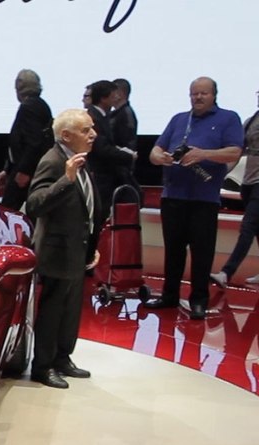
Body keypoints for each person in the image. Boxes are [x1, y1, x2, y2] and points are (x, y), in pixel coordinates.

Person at [146, 77, 243, 320]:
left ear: (214, 95)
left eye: (203, 93)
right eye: (193, 94)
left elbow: (234, 151)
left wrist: (203, 155)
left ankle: (199, 299)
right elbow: (154, 151)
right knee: (173, 250)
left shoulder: (228, 118)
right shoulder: (179, 119)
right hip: (174, 195)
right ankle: (169, 295)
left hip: (204, 199)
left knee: (202, 252)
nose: (197, 98)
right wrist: (161, 157)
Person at [25, 109, 99, 389]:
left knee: (70, 311)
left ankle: (62, 358)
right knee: (53, 311)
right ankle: (42, 366)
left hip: (77, 249)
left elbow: (88, 207)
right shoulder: (54, 161)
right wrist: (65, 180)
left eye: (92, 128)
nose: (93, 134)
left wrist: (92, 244)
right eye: (85, 130)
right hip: (57, 250)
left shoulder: (81, 159)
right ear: (66, 135)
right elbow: (35, 204)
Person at [211, 94, 259, 288]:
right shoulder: (251, 121)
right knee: (257, 229)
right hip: (248, 182)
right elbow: (237, 152)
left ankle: (226, 272)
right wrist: (221, 174)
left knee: (247, 227)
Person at [0, 69, 53, 211]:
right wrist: (7, 171)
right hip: (23, 168)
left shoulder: (29, 107)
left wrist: (24, 171)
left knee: (7, 212)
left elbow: (34, 142)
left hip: (26, 170)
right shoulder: (39, 104)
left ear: (19, 88)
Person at [86, 80, 136, 228]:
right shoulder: (94, 118)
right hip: (99, 175)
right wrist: (128, 156)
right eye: (113, 95)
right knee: (96, 219)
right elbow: (101, 148)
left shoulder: (103, 116)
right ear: (103, 98)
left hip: (104, 177)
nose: (116, 98)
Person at [110, 78, 138, 151]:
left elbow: (128, 144)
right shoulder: (116, 113)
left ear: (119, 94)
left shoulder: (126, 114)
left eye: (110, 92)